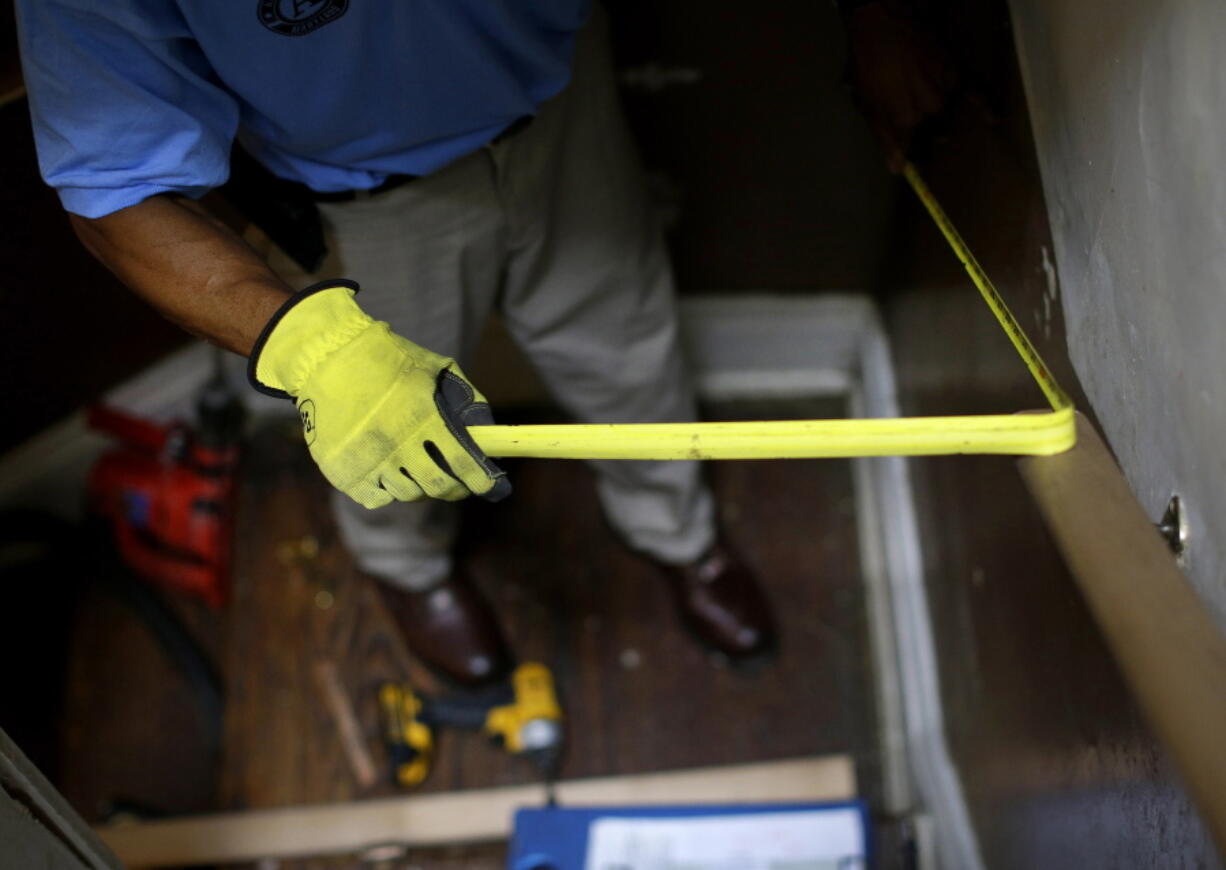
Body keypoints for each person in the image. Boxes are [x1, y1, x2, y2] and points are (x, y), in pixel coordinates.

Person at [16, 0, 949, 688]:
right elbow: (113, 184)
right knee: (384, 426)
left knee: (628, 347)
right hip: (360, 186)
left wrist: (878, 14)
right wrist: (310, 346)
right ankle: (408, 569)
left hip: (558, 97)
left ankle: (679, 532)